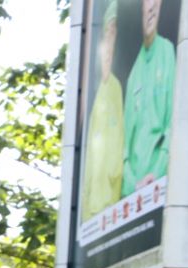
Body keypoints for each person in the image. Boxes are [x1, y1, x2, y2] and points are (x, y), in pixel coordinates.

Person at [121, 0, 175, 196]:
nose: (151, 8)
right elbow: (125, 142)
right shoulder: (135, 71)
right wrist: (131, 182)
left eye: (156, 3)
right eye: (147, 3)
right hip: (131, 190)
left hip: (158, 183)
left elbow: (172, 122)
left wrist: (158, 172)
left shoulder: (167, 52)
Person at [80, 0, 125, 219]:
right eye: (106, 33)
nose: (109, 41)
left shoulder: (117, 88)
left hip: (111, 207)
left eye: (113, 33)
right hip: (91, 212)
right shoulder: (93, 94)